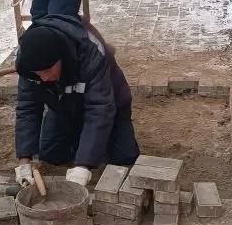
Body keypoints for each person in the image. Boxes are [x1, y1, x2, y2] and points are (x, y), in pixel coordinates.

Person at [14, 15, 139, 189]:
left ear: (61, 57)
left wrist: (83, 165)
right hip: (64, 105)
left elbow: (99, 109)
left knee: (122, 157)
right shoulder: (28, 61)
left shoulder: (90, 52)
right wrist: (24, 159)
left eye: (48, 70)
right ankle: (79, 134)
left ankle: (89, 140)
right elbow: (27, 107)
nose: (44, 78)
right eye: (38, 74)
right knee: (51, 155)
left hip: (110, 103)